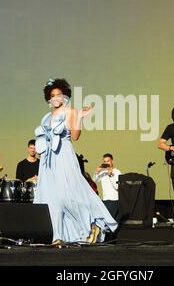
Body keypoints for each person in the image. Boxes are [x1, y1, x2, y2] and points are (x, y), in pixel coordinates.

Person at [33, 78, 118, 244]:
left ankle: (93, 222)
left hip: (63, 153)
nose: (56, 98)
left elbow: (76, 136)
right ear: (48, 99)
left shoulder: (70, 110)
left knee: (67, 195)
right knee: (50, 197)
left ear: (64, 95)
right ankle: (57, 236)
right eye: (52, 95)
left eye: (59, 94)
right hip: (48, 159)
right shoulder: (46, 117)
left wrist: (79, 117)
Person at [94, 153, 121, 220]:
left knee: (110, 220)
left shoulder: (117, 172)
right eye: (105, 161)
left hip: (114, 200)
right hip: (105, 200)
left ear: (112, 161)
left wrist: (110, 175)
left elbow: (117, 186)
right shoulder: (103, 172)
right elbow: (94, 180)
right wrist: (97, 172)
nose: (106, 163)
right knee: (106, 220)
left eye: (108, 161)